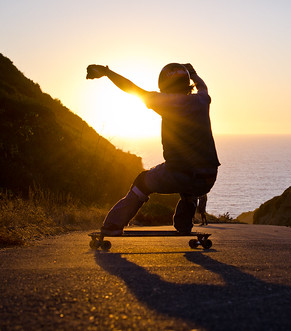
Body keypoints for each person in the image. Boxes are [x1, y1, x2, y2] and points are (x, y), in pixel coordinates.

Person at [86, 62, 220, 235]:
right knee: (189, 191)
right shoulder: (202, 100)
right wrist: (193, 73)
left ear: (164, 85)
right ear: (187, 84)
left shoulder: (165, 102)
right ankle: (184, 225)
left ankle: (113, 225)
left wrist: (107, 72)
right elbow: (202, 86)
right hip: (208, 177)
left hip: (180, 174)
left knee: (142, 182)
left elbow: (131, 88)